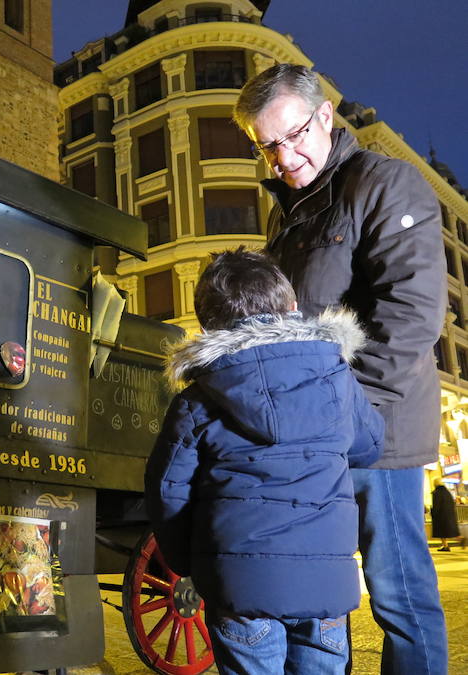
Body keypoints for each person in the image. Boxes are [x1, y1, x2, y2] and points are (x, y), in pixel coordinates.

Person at [234, 63, 447, 674]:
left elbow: (410, 316)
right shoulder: (292, 212)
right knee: (323, 598)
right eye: (268, 144)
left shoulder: (386, 183)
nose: (284, 155)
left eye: (294, 134)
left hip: (378, 433)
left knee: (400, 597)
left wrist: (342, 416)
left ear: (325, 115)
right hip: (314, 438)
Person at [145, 248, 384, 674]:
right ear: (292, 307)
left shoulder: (199, 398)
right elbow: (369, 445)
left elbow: (167, 489)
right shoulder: (336, 378)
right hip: (325, 582)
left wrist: (187, 562)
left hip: (240, 585)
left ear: (207, 326)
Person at [431, 478, 461, 551]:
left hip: (441, 516)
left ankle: (446, 545)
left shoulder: (436, 492)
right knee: (449, 531)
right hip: (449, 515)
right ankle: (446, 545)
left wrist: (433, 513)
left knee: (441, 531)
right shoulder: (447, 492)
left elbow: (436, 505)